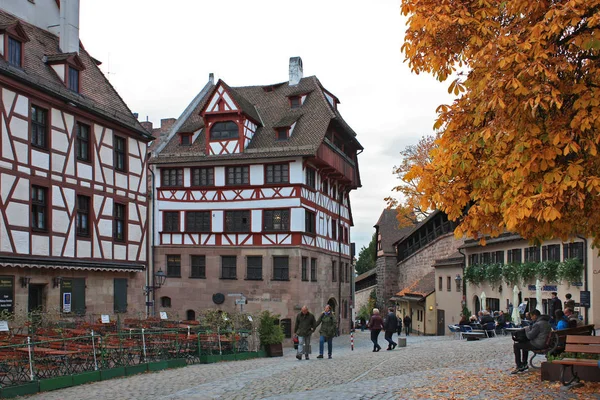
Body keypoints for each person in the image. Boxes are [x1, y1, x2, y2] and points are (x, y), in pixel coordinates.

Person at [512, 309, 551, 374]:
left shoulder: (538, 324)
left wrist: (527, 329)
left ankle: (519, 365)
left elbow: (530, 336)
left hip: (538, 344)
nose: (531, 318)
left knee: (516, 346)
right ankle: (524, 363)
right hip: (545, 343)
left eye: (531, 316)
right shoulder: (546, 322)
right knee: (524, 344)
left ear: (535, 315)